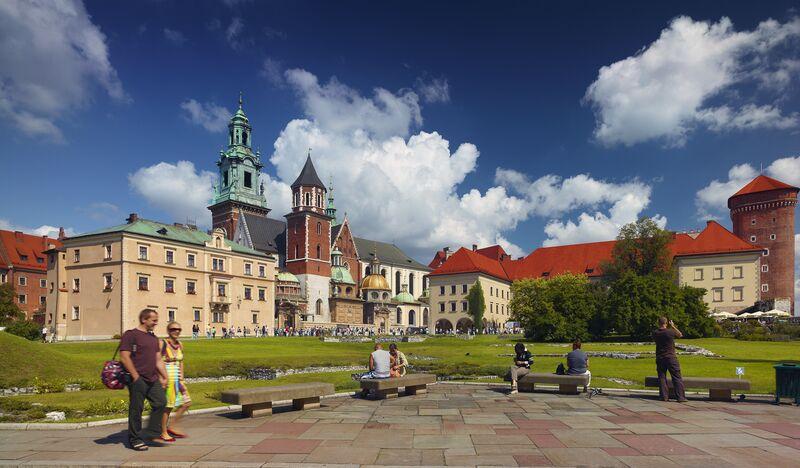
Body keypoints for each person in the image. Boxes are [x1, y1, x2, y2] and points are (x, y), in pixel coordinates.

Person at [119, 309, 168, 451]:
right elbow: (124, 356)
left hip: (152, 378)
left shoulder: (153, 339)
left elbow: (158, 359)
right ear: (144, 320)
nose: (156, 323)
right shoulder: (131, 335)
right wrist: (135, 376)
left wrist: (164, 376)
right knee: (136, 409)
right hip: (137, 379)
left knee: (161, 402)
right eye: (153, 320)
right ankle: (135, 439)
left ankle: (152, 432)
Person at [159, 321, 191, 441]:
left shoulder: (180, 345)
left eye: (179, 329)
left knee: (186, 403)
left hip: (177, 378)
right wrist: (162, 378)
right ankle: (163, 432)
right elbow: (156, 361)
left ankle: (171, 426)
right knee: (168, 407)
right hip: (167, 378)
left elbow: (181, 361)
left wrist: (182, 378)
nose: (176, 331)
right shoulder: (162, 343)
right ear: (168, 330)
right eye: (173, 329)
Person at [654, 316, 687, 402]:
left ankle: (664, 396)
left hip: (660, 357)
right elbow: (680, 335)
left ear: (658, 323)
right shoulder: (670, 332)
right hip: (671, 357)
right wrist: (673, 326)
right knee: (676, 377)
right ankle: (680, 397)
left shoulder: (655, 333)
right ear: (666, 323)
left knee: (662, 377)